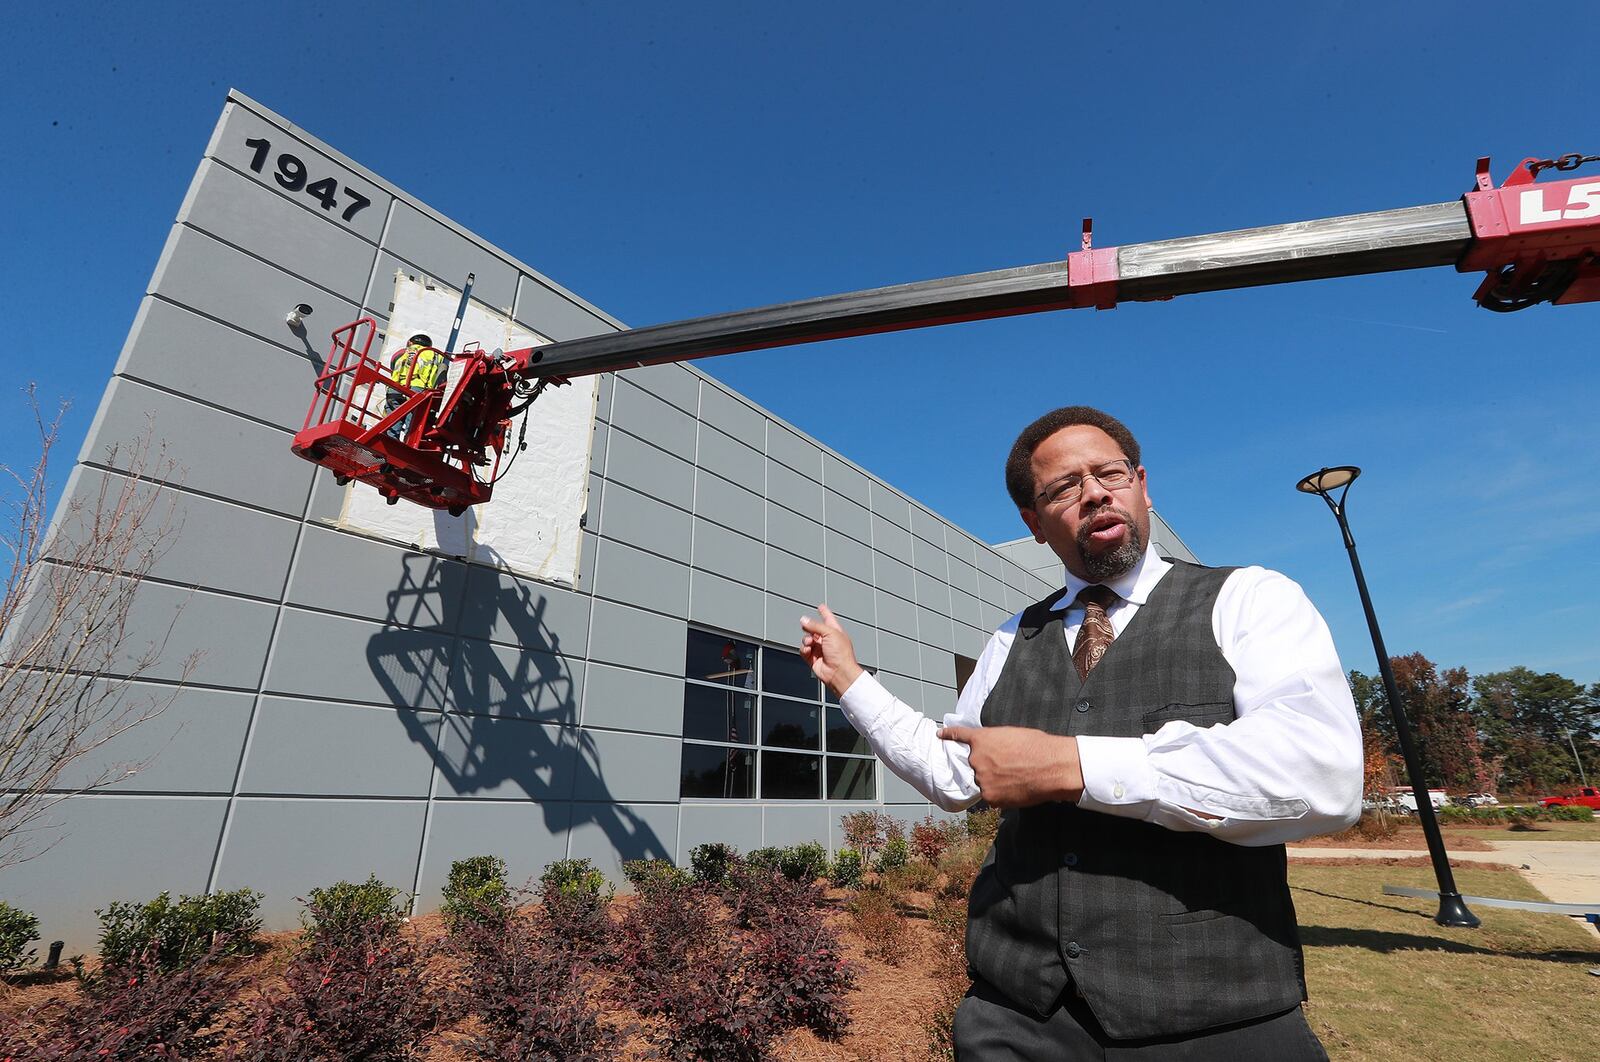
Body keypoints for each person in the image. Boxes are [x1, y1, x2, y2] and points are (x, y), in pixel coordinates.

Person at [800, 405, 1361, 1060]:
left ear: (1143, 485)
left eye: (1110, 473)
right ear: (1035, 524)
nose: (1094, 491)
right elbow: (954, 772)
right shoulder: (1012, 638)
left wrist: (1072, 765)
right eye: (1063, 488)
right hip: (1018, 1019)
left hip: (1217, 1022)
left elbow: (1322, 773)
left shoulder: (1251, 599)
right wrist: (850, 680)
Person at [385, 333, 448, 441]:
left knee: (393, 419)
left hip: (395, 388)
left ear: (410, 342)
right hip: (417, 390)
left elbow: (393, 366)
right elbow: (441, 374)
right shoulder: (434, 355)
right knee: (412, 425)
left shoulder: (401, 353)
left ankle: (390, 442)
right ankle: (407, 444)